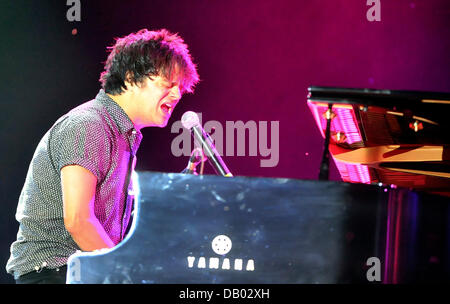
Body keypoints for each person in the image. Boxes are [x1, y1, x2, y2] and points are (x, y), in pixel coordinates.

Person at [6, 28, 199, 284]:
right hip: (54, 273)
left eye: (181, 88)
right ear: (131, 77)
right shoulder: (90, 125)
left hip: (80, 273)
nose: (177, 95)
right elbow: (78, 220)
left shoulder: (122, 136)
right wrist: (123, 273)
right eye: (168, 83)